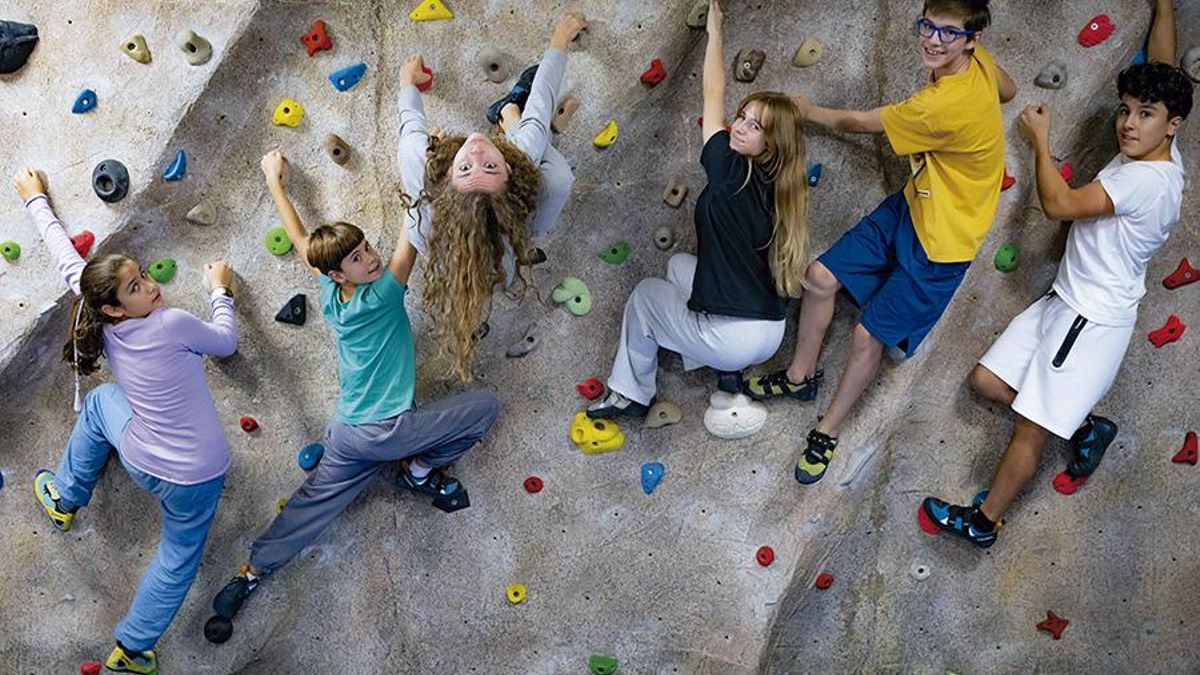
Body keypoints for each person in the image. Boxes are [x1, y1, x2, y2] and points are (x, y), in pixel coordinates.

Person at [920, 0, 1191, 548]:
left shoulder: (1145, 181)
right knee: (987, 381)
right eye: (1126, 110)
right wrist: (1163, 5)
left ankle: (983, 524)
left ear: (1173, 125)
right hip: (1066, 301)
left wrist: (1039, 141)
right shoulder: (1158, 152)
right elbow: (1164, 64)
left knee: (1032, 426)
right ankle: (1086, 425)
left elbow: (1060, 204)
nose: (1128, 124)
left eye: (1145, 115)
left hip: (1089, 320)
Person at [206, 149, 500, 622]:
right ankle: (418, 471)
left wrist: (276, 183)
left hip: (346, 434)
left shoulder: (331, 292)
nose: (371, 258)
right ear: (339, 273)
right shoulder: (383, 294)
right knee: (484, 407)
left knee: (310, 507)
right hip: (388, 431)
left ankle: (251, 573)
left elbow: (302, 242)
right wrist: (437, 171)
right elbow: (412, 233)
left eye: (366, 247)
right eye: (358, 258)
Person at [743, 0, 1017, 484]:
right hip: (914, 205)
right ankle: (798, 378)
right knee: (819, 277)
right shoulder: (980, 62)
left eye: (949, 33)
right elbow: (1008, 90)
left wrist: (805, 110)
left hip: (944, 243)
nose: (932, 39)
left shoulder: (937, 106)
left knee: (867, 335)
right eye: (928, 25)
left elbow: (859, 123)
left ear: (973, 39)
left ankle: (827, 431)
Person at [15, 166, 237, 674]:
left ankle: (65, 498)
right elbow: (226, 343)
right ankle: (131, 650)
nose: (150, 287)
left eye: (144, 276)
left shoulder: (99, 314)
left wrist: (35, 200)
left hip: (141, 453)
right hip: (196, 475)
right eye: (136, 287)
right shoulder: (173, 324)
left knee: (100, 403)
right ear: (114, 308)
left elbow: (68, 262)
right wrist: (219, 292)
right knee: (177, 559)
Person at [586, 0, 809, 421]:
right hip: (769, 333)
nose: (738, 126)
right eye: (742, 117)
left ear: (771, 142)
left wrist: (716, 35)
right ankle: (725, 373)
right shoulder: (784, 188)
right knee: (679, 267)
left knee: (645, 295)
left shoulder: (730, 171)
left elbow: (712, 94)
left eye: (754, 126)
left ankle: (628, 393)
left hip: (735, 338)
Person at [396, 12, 587, 382]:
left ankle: (507, 114)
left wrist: (408, 83)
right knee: (558, 179)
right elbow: (541, 103)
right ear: (510, 172)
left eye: (468, 168)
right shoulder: (519, 158)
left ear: (448, 174)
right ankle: (509, 115)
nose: (477, 150)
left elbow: (408, 125)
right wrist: (560, 40)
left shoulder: (421, 168)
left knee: (552, 175)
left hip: (458, 220)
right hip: (508, 241)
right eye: (488, 166)